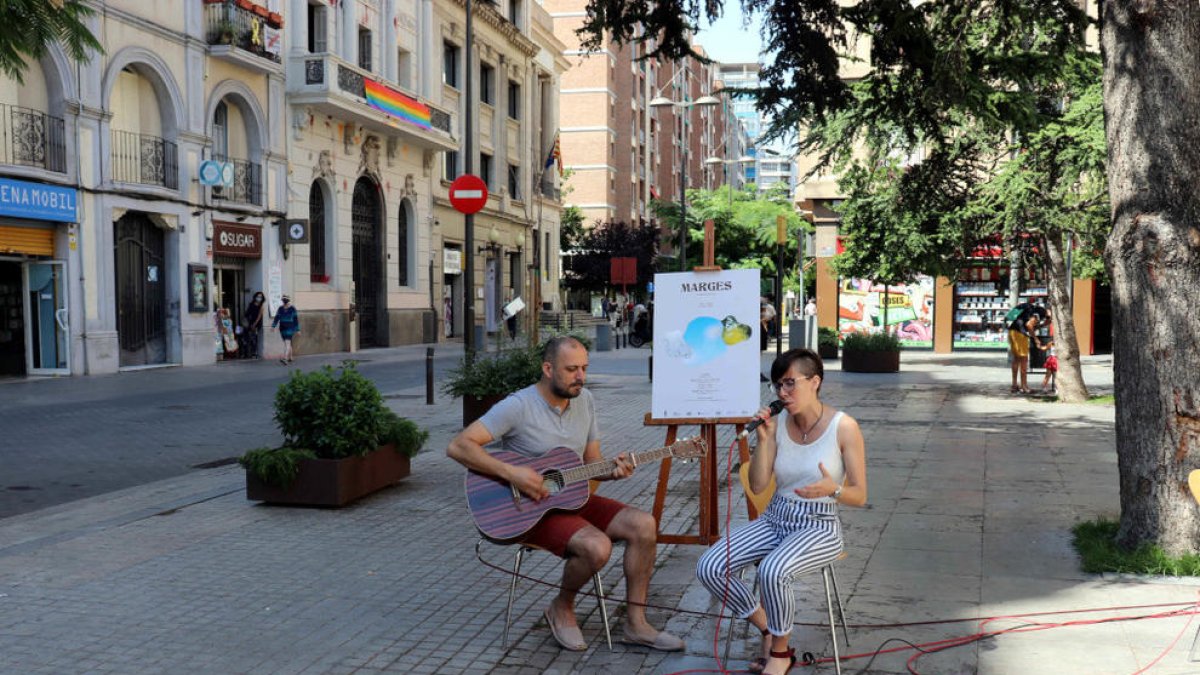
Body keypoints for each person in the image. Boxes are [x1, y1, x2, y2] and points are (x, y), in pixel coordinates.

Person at [446, 336, 684, 653]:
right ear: (548, 368)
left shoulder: (584, 401)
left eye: (584, 368)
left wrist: (613, 470)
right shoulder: (518, 406)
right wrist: (512, 472)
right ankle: (562, 606)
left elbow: (591, 463)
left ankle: (636, 624)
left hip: (570, 498)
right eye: (572, 369)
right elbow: (458, 446)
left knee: (643, 524)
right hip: (527, 511)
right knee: (596, 546)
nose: (581, 377)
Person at [696, 348, 868, 675]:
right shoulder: (778, 424)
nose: (783, 393)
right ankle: (766, 628)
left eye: (791, 383)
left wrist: (832, 489)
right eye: (778, 386)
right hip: (776, 519)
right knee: (710, 565)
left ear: (815, 381)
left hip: (820, 526)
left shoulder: (844, 427)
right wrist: (766, 439)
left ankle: (780, 651)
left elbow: (860, 496)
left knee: (772, 570)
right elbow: (759, 485)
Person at [1007, 302, 1051, 394]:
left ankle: (1014, 385)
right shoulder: (1041, 312)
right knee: (1024, 360)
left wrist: (1043, 324)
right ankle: (1024, 386)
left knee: (1016, 359)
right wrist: (1036, 339)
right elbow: (1029, 325)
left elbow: (1032, 324)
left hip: (1013, 331)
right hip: (1020, 334)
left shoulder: (1035, 310)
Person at [271, 295, 300, 365]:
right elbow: (277, 317)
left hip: (290, 327)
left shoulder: (292, 308)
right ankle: (290, 357)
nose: (284, 300)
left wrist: (298, 329)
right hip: (282, 328)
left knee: (287, 342)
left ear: (288, 300)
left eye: (286, 299)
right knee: (287, 343)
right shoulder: (280, 308)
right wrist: (273, 326)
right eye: (283, 299)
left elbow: (296, 319)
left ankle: (285, 358)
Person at [243, 291, 266, 359]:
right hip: (249, 322)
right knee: (246, 337)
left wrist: (254, 324)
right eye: (258, 296)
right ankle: (246, 352)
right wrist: (245, 321)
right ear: (255, 297)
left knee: (253, 338)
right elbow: (247, 313)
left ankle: (254, 352)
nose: (259, 298)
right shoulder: (251, 304)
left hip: (256, 323)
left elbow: (259, 316)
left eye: (261, 297)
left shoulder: (261, 306)